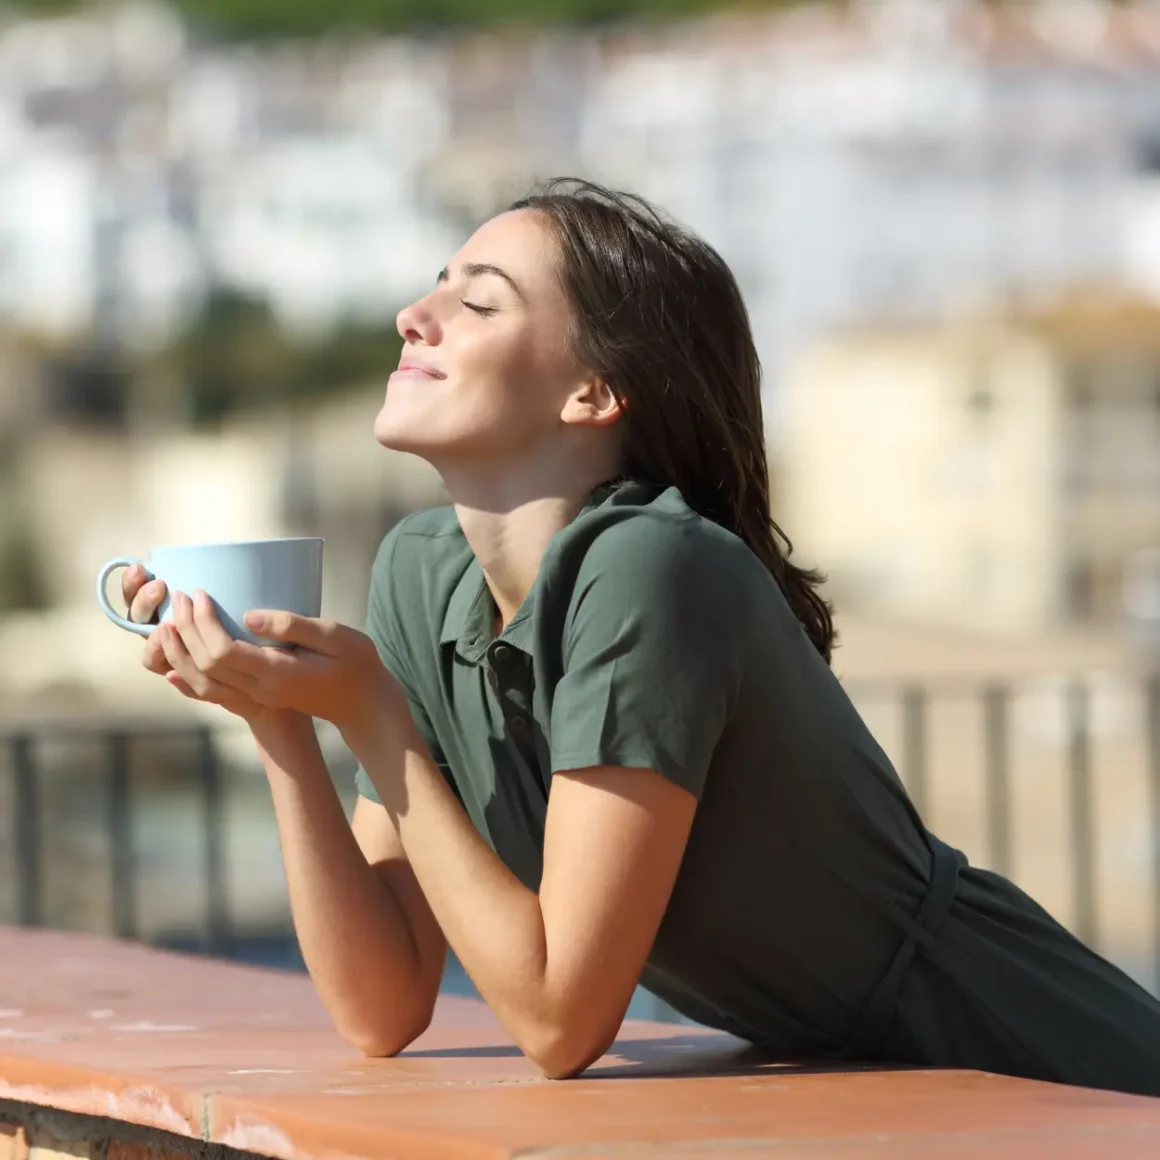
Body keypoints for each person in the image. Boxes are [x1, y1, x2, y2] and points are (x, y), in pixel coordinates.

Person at [120, 178, 1160, 1093]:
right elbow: (382, 1004)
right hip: (878, 1081)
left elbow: (559, 1019)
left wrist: (372, 716)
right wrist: (282, 722)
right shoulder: (420, 571)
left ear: (593, 392)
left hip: (1039, 1053)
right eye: (436, 284)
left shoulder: (647, 570)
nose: (413, 314)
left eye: (476, 300)